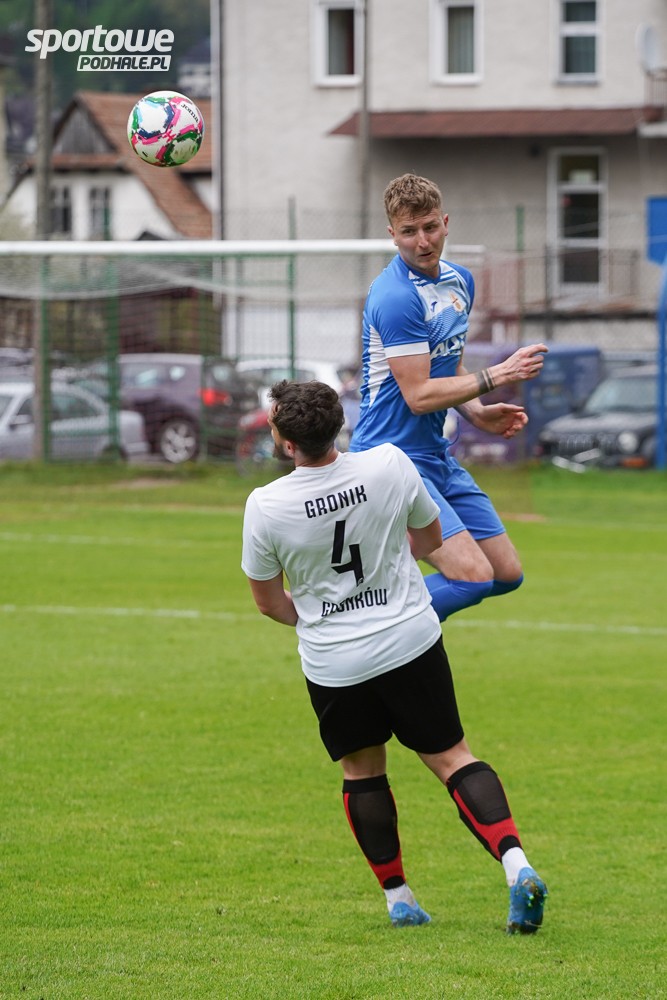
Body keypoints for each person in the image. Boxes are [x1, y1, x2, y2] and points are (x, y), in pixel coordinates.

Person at [241, 379, 547, 932]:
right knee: (454, 758)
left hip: (335, 661)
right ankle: (517, 866)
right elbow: (430, 538)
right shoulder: (389, 462)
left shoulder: (265, 505)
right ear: (339, 427)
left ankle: (400, 899)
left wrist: (322, 617)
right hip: (410, 639)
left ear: (285, 442)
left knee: (362, 772)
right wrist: (389, 574)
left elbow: (269, 603)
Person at [349, 173, 548, 622]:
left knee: (505, 573)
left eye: (430, 227)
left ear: (445, 222)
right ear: (392, 234)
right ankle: (365, 625)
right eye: (409, 231)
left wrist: (477, 413)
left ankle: (378, 614)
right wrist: (499, 374)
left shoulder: (460, 281)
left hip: (434, 455)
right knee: (472, 577)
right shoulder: (396, 296)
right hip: (390, 459)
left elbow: (447, 366)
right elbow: (419, 396)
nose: (422, 241)